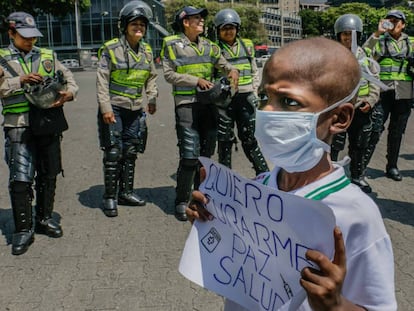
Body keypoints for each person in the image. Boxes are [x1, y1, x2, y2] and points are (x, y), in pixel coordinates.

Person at [186, 37, 396, 311]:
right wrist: (210, 222)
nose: (267, 112)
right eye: (264, 97)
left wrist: (336, 306)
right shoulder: (253, 190)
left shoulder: (357, 215)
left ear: (340, 118)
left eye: (289, 101)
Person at [0, 11, 78, 255]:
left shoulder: (47, 56)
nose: (30, 41)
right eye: (24, 37)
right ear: (11, 33)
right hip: (18, 125)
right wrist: (20, 80)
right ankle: (23, 228)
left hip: (47, 123)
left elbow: (70, 80)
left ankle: (44, 218)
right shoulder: (2, 58)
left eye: (33, 37)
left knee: (49, 173)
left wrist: (70, 93)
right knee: (21, 179)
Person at [160, 6, 239, 222]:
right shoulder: (171, 44)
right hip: (186, 105)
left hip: (209, 105)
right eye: (197, 18)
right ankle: (181, 201)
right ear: (186, 22)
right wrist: (196, 81)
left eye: (202, 18)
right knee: (189, 156)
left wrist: (233, 72)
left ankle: (200, 197)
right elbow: (168, 74)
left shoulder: (210, 46)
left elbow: (225, 65)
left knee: (205, 157)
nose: (202, 21)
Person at [96, 0, 158, 218]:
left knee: (130, 151)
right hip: (114, 107)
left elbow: (151, 76)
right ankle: (110, 197)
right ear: (124, 25)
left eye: (142, 24)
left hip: (135, 109)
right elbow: (102, 81)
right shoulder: (110, 49)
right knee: (113, 152)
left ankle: (126, 192)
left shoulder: (147, 51)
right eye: (134, 23)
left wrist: (152, 98)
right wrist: (105, 108)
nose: (139, 27)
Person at [213, 9, 268, 175]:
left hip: (246, 97)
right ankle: (226, 178)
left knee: (250, 138)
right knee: (224, 140)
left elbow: (254, 70)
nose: (228, 31)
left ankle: (264, 175)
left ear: (237, 28)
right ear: (218, 31)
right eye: (224, 28)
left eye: (231, 27)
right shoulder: (214, 49)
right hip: (224, 100)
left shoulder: (247, 44)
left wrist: (255, 92)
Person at [330, 14, 380, 193]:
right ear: (338, 35)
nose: (347, 37)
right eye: (343, 34)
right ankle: (330, 177)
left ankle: (357, 176)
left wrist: (371, 101)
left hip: (361, 108)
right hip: (340, 109)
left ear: (358, 35)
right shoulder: (332, 56)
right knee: (334, 144)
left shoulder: (366, 55)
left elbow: (375, 80)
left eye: (351, 34)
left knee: (360, 144)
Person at [363, 9, 413, 181]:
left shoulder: (412, 42)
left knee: (397, 132)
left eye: (396, 20)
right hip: (383, 93)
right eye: (389, 20)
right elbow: (363, 54)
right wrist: (377, 32)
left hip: (404, 94)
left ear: (403, 24)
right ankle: (361, 166)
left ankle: (392, 166)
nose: (392, 23)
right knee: (374, 129)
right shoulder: (379, 40)